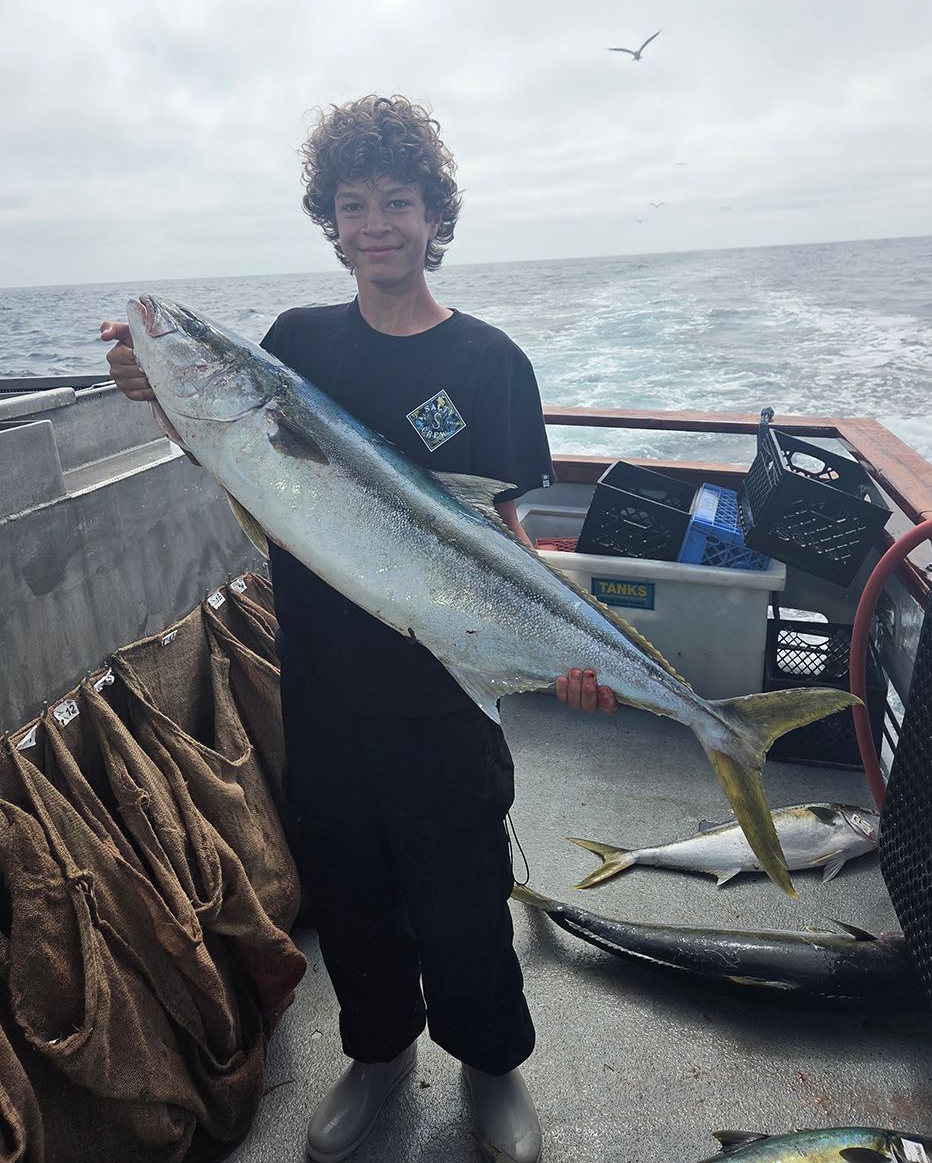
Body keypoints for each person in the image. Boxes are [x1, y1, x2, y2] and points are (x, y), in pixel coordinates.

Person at [102, 94, 617, 1163]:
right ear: (329, 223)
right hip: (324, 686)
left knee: (463, 892)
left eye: (397, 201)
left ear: (435, 217)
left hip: (447, 693)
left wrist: (576, 645)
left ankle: (489, 1066)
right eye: (352, 204)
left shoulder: (488, 363)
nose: (375, 223)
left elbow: (507, 526)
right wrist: (159, 388)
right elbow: (238, 457)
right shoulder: (294, 345)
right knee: (352, 890)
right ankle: (379, 1054)